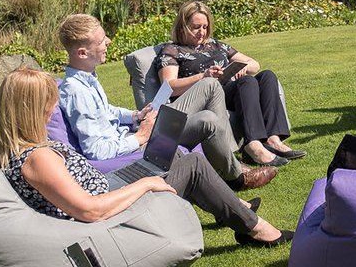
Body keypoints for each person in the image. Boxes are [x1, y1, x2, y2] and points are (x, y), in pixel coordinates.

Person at [0, 68, 291, 247]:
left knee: (167, 157)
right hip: (111, 205)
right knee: (192, 164)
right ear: (30, 108)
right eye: (48, 106)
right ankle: (256, 229)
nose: (52, 111)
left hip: (108, 184)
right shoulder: (38, 158)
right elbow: (90, 211)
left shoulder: (2, 145)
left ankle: (236, 209)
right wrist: (144, 184)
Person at [56, 13, 277, 191]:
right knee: (208, 112)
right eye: (102, 41)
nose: (109, 42)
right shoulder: (77, 92)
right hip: (141, 140)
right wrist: (140, 136)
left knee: (209, 88)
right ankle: (235, 175)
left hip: (138, 129)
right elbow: (96, 151)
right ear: (83, 52)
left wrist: (134, 115)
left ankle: (232, 169)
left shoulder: (86, 79)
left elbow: (105, 112)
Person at [156, 1, 304, 168]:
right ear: (182, 26)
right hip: (209, 97)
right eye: (196, 27)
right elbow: (170, 86)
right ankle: (252, 145)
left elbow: (255, 64)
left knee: (267, 76)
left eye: (205, 27)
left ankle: (273, 139)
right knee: (246, 82)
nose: (202, 32)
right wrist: (203, 76)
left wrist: (243, 67)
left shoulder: (216, 44)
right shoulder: (172, 50)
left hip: (232, 88)